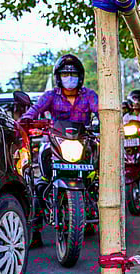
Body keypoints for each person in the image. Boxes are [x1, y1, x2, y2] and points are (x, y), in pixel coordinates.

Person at [20, 54, 99, 247]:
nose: (69, 78)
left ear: (80, 77)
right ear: (58, 76)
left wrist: (104, 122)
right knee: (40, 184)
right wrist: (27, 120)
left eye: (73, 74)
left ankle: (90, 211)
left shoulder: (89, 95)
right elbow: (35, 110)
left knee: (97, 177)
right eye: (65, 74)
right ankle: (35, 230)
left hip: (83, 142)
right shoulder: (50, 96)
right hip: (55, 143)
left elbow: (101, 111)